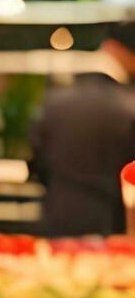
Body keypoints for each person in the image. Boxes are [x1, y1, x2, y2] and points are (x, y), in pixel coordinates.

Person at [29, 20, 135, 236]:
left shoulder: (54, 102)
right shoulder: (129, 107)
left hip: (55, 227)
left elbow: (37, 164)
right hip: (111, 231)